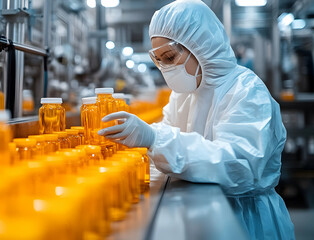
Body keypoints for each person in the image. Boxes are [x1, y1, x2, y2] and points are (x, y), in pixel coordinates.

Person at [97, 0, 295, 239]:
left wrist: (153, 138)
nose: (164, 68)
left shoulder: (246, 90)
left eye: (169, 57)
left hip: (246, 218)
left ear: (201, 45)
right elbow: (169, 140)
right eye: (158, 60)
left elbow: (239, 167)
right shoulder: (183, 95)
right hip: (198, 211)